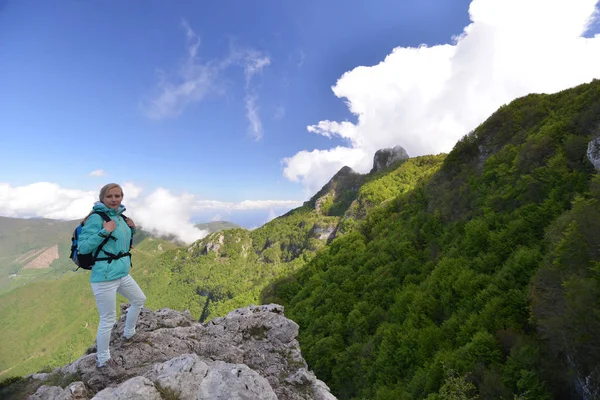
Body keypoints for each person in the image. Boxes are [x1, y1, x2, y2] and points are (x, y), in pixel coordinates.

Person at [77, 183, 146, 369]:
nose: (114, 199)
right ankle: (103, 360)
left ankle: (129, 334)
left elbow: (121, 243)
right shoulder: (96, 218)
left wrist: (132, 229)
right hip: (104, 276)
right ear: (102, 198)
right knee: (108, 319)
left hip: (122, 273)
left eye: (118, 196)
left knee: (139, 299)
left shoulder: (121, 217)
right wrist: (104, 231)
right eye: (110, 196)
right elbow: (83, 247)